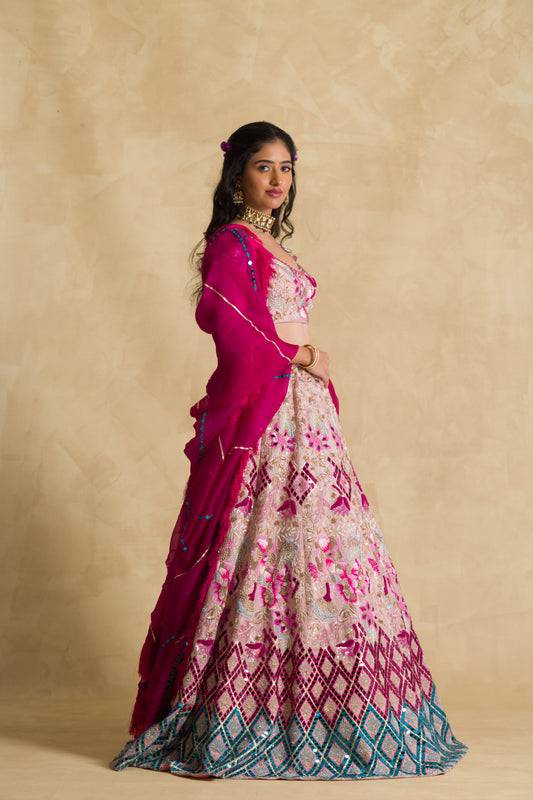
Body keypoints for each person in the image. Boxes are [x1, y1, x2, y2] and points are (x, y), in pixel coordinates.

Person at [111, 121, 467, 779]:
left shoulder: (266, 242)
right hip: (271, 410)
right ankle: (248, 709)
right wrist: (300, 354)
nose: (277, 180)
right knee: (267, 545)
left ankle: (341, 708)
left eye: (287, 168)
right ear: (237, 174)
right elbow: (235, 337)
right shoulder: (230, 245)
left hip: (301, 409)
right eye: (263, 167)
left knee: (322, 548)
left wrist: (303, 366)